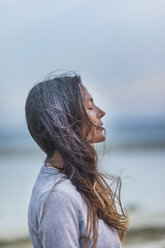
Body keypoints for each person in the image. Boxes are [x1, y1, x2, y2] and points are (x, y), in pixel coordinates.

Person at [25, 71, 129, 248]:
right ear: (64, 119)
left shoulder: (76, 181)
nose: (101, 113)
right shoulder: (58, 198)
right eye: (89, 107)